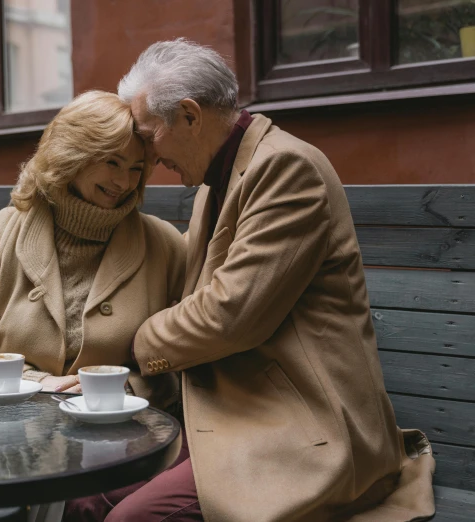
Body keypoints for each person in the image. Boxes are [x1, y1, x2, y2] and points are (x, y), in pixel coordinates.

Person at [65, 39, 435, 522]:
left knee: (132, 519)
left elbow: (230, 314)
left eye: (148, 135)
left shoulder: (286, 167)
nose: (149, 159)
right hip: (227, 416)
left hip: (297, 428)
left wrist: (137, 345)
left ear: (190, 116)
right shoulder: (215, 183)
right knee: (83, 495)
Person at [0, 90, 184, 410]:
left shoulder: (165, 244)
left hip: (124, 435)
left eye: (136, 168)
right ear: (72, 156)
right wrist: (38, 385)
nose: (124, 181)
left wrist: (125, 388)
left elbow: (188, 356)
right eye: (112, 161)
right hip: (2, 432)